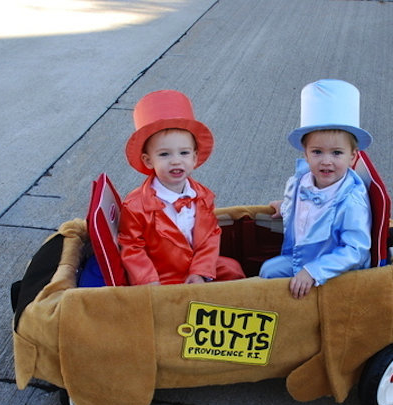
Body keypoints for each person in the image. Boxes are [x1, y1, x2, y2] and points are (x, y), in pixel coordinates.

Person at [118, 90, 245, 285]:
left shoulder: (203, 196)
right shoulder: (135, 205)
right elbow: (132, 246)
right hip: (162, 274)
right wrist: (148, 280)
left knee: (232, 269)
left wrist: (200, 271)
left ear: (194, 158)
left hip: (195, 266)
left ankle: (226, 310)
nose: (176, 161)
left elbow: (210, 235)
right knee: (170, 303)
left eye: (184, 153)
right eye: (164, 155)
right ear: (148, 161)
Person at [260, 79, 372, 298]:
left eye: (337, 153)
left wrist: (314, 271)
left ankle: (298, 318)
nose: (326, 161)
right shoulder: (304, 181)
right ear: (306, 154)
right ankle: (280, 313)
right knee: (267, 271)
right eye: (317, 152)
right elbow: (306, 211)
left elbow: (355, 250)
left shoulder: (350, 201)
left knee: (274, 282)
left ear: (353, 156)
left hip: (334, 271)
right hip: (303, 256)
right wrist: (286, 208)